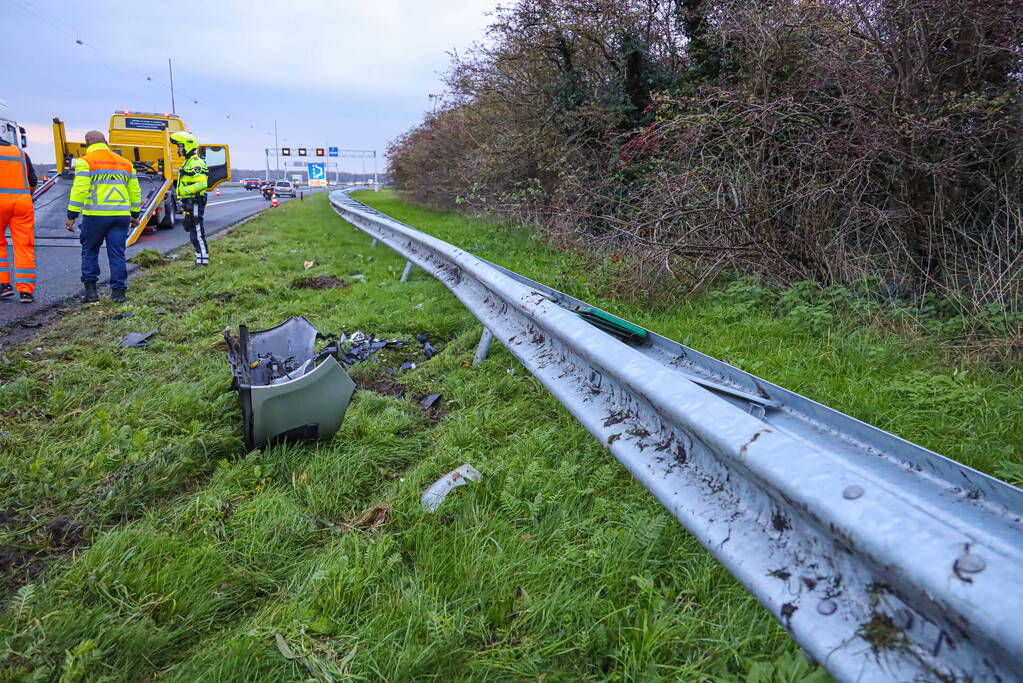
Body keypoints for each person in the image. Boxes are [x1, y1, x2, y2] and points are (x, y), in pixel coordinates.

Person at [64, 130, 141, 303]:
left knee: (90, 251)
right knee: (117, 254)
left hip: (96, 216)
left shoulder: (85, 162)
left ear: (87, 143)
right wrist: (134, 214)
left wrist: (72, 215)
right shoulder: (126, 163)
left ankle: (91, 293)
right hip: (121, 216)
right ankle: (119, 294)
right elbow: (135, 191)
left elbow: (80, 190)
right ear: (105, 141)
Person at [0, 131, 37, 303]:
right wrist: (26, 197)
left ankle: (3, 285)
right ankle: (26, 291)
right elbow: (32, 180)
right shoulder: (20, 152)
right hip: (22, 203)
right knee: (24, 245)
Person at [170, 131, 209, 265]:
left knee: (197, 231)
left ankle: (203, 261)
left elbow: (202, 184)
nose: (178, 149)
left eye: (180, 146)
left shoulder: (196, 163)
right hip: (190, 202)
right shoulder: (188, 162)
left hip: (195, 201)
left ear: (187, 146)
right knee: (191, 229)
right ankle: (200, 259)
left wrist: (183, 190)